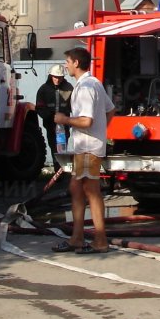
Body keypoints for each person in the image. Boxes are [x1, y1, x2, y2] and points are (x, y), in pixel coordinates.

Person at [52, 47, 115, 254]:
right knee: (76, 189)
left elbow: (86, 120)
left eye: (67, 62)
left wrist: (64, 120)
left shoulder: (86, 87)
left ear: (76, 63)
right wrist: (101, 131)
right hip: (85, 146)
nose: (65, 65)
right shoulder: (93, 83)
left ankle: (100, 240)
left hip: (88, 148)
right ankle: (77, 238)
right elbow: (110, 109)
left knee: (91, 191)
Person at [35, 64, 72, 172]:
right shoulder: (43, 90)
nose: (58, 79)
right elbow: (39, 107)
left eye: (60, 77)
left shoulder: (68, 88)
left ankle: (62, 171)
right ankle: (58, 170)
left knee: (62, 147)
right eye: (55, 77)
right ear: (51, 76)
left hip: (64, 124)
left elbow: (75, 105)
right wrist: (50, 117)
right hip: (50, 124)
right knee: (54, 146)